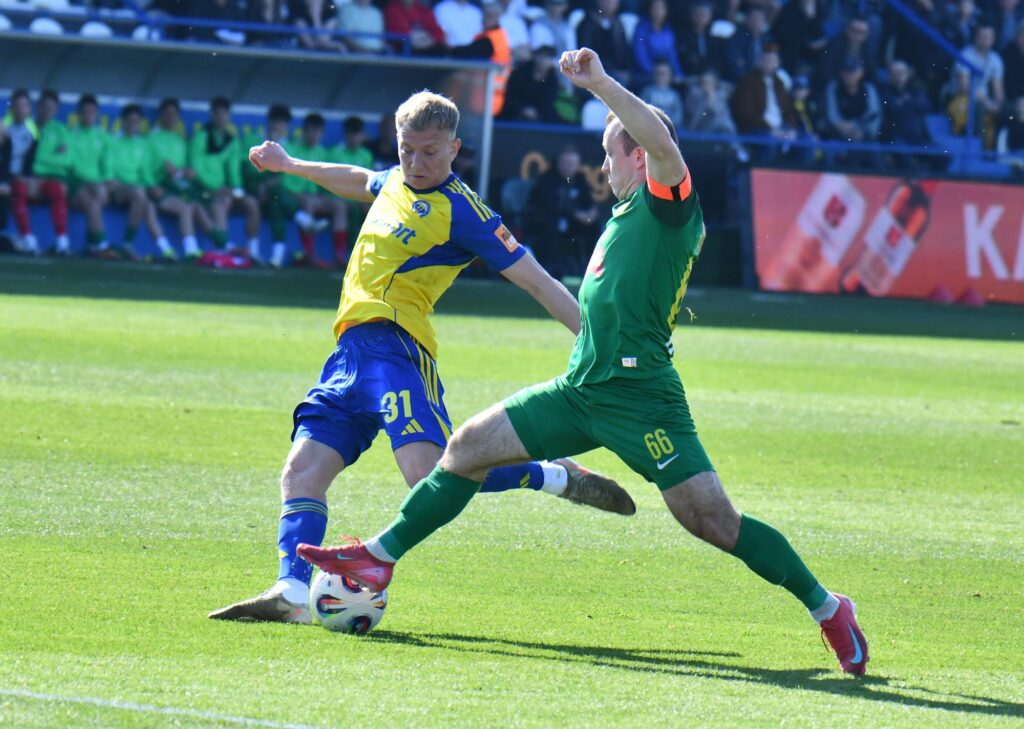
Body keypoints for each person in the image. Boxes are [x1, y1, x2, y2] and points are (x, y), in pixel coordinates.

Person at [298, 48, 870, 677]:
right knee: (466, 449)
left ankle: (828, 607)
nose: (602, 165)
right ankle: (378, 557)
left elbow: (660, 140)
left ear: (640, 155)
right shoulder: (628, 213)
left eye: (610, 152)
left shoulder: (669, 204)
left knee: (712, 521)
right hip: (580, 390)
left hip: (641, 397)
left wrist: (599, 84)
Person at [209, 90, 634, 624]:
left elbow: (538, 282)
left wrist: (595, 343)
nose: (416, 162)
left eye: (430, 152)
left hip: (398, 350)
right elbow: (358, 179)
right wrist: (291, 165)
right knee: (301, 469)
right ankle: (291, 591)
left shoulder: (465, 211)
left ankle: (552, 476)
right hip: (347, 354)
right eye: (406, 149)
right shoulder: (396, 180)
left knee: (430, 476)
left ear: (454, 148)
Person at [190, 97, 261, 255]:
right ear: (212, 115)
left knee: (251, 203)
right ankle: (222, 251)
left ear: (229, 116)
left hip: (225, 191)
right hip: (204, 190)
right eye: (218, 113)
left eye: (225, 114)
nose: (221, 117)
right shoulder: (200, 138)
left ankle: (253, 251)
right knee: (220, 203)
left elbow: (233, 172)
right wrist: (216, 188)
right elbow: (196, 169)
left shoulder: (232, 141)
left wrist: (236, 189)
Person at [106, 104, 176, 261]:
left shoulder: (142, 144)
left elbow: (145, 172)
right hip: (117, 189)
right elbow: (108, 167)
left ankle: (166, 250)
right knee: (139, 194)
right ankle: (127, 243)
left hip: (137, 191)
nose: (134, 125)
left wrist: (152, 185)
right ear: (122, 121)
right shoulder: (112, 141)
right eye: (130, 121)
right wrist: (111, 179)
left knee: (148, 206)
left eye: (137, 122)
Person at [9, 89, 71, 256]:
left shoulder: (60, 130)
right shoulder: (27, 127)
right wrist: (32, 174)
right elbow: (22, 156)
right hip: (25, 178)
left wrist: (39, 167)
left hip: (44, 179)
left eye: (51, 108)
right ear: (37, 107)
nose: (46, 111)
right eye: (43, 106)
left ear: (56, 110)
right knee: (18, 188)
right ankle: (28, 239)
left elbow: (66, 159)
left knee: (58, 190)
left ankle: (62, 242)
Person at [525, 144, 600, 278]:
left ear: (577, 165)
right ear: (559, 162)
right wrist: (573, 212)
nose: (568, 166)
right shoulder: (547, 178)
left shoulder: (580, 179)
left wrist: (590, 216)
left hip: (573, 223)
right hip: (548, 222)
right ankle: (549, 270)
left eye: (572, 163)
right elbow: (545, 205)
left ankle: (592, 269)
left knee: (594, 227)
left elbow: (590, 205)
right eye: (565, 163)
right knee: (551, 223)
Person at [147, 98, 204, 260]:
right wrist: (153, 182)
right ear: (160, 116)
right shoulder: (151, 139)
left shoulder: (180, 141)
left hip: (177, 188)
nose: (171, 118)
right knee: (185, 207)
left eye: (174, 115)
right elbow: (145, 167)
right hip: (158, 188)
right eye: (168, 114)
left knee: (198, 205)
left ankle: (222, 248)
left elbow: (183, 169)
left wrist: (187, 172)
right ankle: (189, 250)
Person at [68, 94, 115, 258]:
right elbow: (70, 165)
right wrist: (90, 182)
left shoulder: (102, 137)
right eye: (85, 112)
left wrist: (107, 179)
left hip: (97, 185)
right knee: (92, 202)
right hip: (76, 184)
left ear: (97, 114)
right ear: (79, 114)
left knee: (96, 200)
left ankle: (94, 244)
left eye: (92, 112)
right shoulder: (71, 135)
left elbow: (107, 163)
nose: (89, 115)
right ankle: (100, 244)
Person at [329, 115, 375, 265]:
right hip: (338, 197)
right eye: (351, 134)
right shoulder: (335, 153)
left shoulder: (366, 155)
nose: (354, 138)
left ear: (362, 135)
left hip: (360, 198)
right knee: (350, 209)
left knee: (375, 211)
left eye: (357, 134)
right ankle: (343, 254)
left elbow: (370, 182)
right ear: (345, 134)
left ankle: (369, 255)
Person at [501, 44, 562, 123]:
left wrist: (536, 112)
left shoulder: (553, 80)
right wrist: (523, 109)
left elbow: (548, 101)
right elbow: (510, 95)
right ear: (535, 56)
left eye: (548, 57)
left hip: (542, 118)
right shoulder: (520, 73)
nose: (543, 61)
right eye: (542, 56)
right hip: (514, 115)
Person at [632, 0, 684, 86]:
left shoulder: (668, 30)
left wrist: (678, 73)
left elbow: (672, 55)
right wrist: (654, 73)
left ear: (666, 11)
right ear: (649, 9)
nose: (658, 11)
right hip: (646, 74)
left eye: (661, 8)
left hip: (666, 73)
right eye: (655, 8)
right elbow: (640, 54)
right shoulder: (641, 28)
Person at [641, 60, 685, 129]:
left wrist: (667, 123)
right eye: (658, 74)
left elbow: (678, 116)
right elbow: (641, 110)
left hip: (670, 128)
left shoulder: (675, 95)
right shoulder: (647, 92)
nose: (660, 77)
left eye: (663, 74)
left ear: (670, 76)